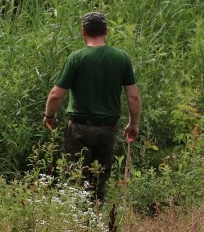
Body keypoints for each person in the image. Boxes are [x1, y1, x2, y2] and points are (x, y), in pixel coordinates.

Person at [42, 11, 142, 202]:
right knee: (98, 183)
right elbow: (134, 96)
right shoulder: (121, 58)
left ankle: (76, 226)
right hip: (107, 130)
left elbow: (56, 95)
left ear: (83, 32)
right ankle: (95, 225)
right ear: (106, 30)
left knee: (75, 180)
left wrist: (49, 116)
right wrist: (133, 124)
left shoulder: (76, 58)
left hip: (79, 129)